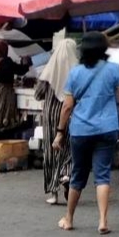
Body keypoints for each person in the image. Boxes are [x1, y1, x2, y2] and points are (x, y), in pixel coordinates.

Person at [53, 32, 119, 234]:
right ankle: (102, 220)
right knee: (102, 175)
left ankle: (69, 218)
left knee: (78, 174)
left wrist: (60, 132)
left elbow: (67, 106)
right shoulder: (114, 70)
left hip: (81, 129)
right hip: (108, 128)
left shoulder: (75, 73)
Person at [36, 38, 79, 205]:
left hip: (50, 116)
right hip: (71, 114)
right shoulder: (77, 71)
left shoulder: (47, 72)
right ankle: (66, 173)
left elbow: (38, 95)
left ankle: (53, 193)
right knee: (69, 148)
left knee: (50, 150)